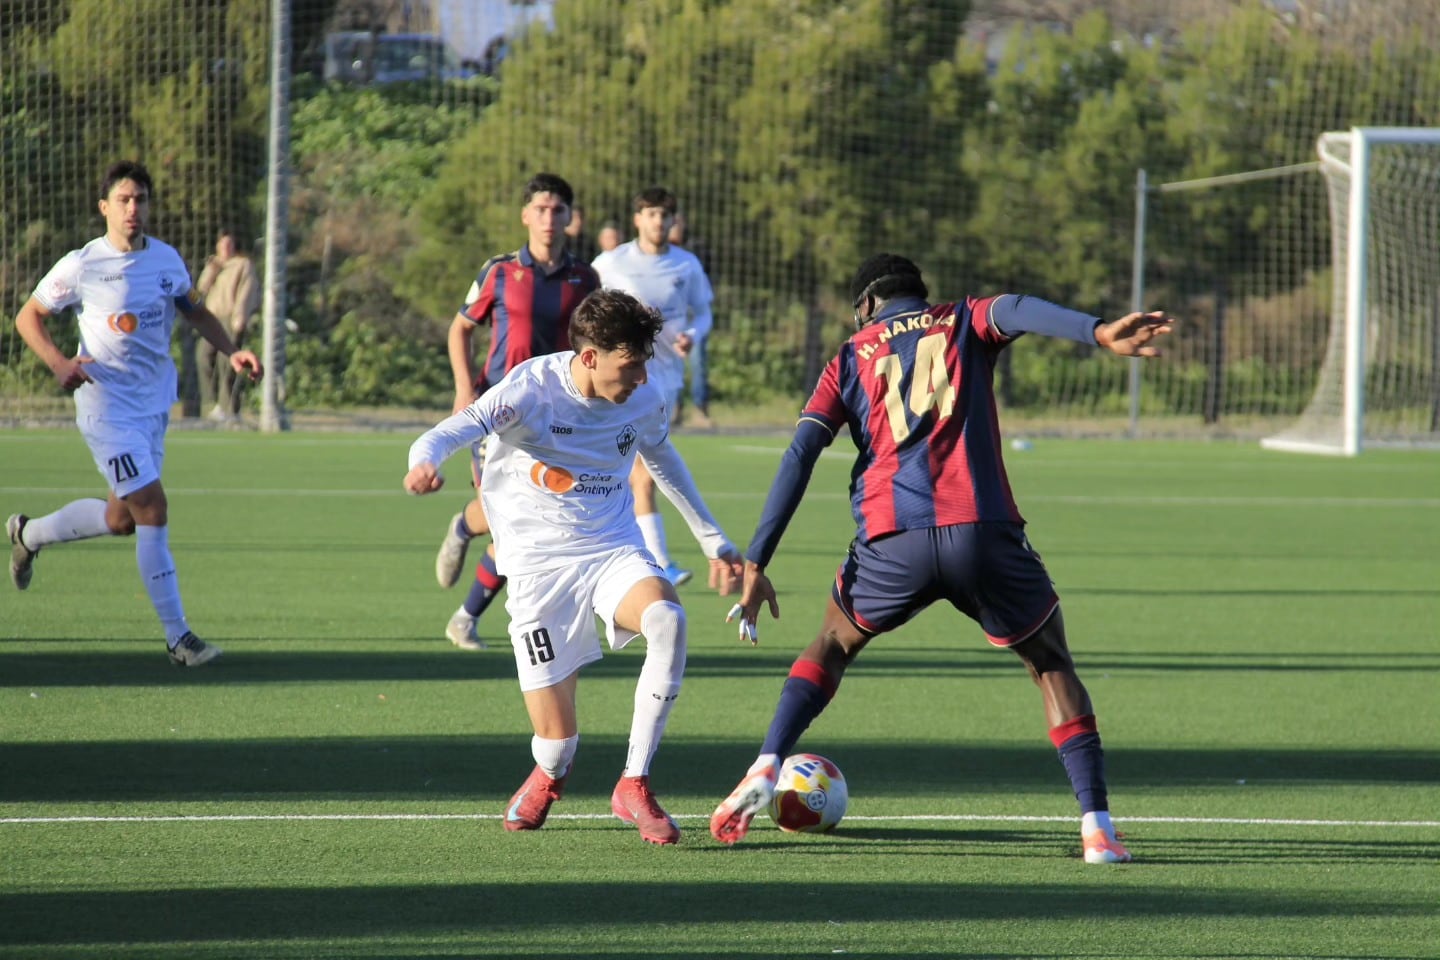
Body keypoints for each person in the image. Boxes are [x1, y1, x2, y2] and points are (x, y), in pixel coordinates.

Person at [708, 254, 1175, 864]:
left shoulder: (848, 357)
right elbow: (1016, 308)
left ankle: (768, 762)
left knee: (832, 643)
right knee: (1049, 661)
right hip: (981, 532)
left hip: (891, 541)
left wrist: (758, 561)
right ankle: (1097, 829)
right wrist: (1099, 331)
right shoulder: (963, 320)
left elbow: (800, 455)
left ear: (867, 305)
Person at [404, 288, 744, 844]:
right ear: (589, 357)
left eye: (644, 364)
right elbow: (449, 431)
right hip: (536, 566)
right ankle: (549, 774)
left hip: (611, 546)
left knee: (667, 619)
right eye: (629, 366)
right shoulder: (530, 390)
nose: (640, 378)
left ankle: (634, 783)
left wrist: (715, 541)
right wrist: (423, 463)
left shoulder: (644, 396)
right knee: (558, 745)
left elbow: (662, 458)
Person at [6, 160, 264, 666]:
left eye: (140, 199)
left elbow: (196, 311)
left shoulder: (166, 260)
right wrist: (59, 363)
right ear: (105, 206)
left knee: (120, 518)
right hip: (106, 409)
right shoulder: (83, 264)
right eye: (123, 200)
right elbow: (28, 316)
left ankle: (27, 534)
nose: (133, 208)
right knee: (152, 507)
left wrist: (232, 351)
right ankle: (178, 639)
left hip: (152, 408)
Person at [432, 172, 601, 651]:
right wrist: (464, 389)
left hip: (558, 418)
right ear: (526, 215)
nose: (549, 218)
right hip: (500, 412)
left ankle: (465, 614)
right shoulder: (500, 272)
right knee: (505, 516)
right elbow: (460, 328)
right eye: (540, 209)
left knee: (531, 521)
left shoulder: (585, 279)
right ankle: (465, 532)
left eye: (558, 210)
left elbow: (594, 342)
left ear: (570, 218)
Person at [591, 187, 715, 588]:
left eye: (664, 214)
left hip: (664, 381)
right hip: (619, 381)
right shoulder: (611, 263)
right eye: (651, 214)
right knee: (639, 472)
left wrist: (693, 334)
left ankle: (627, 555)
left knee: (636, 472)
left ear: (673, 220)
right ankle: (657, 563)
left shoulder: (686, 265)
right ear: (638, 219)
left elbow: (704, 312)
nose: (658, 221)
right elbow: (583, 309)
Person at [195, 225, 260, 423]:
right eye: (222, 243)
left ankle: (229, 408)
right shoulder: (214, 264)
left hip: (231, 317)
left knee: (228, 362)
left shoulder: (243, 264)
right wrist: (212, 269)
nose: (226, 247)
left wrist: (240, 317)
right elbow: (201, 288)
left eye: (229, 243)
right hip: (211, 318)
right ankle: (212, 403)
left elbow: (247, 291)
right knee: (203, 356)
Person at [666, 211, 713, 429]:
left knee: (698, 365)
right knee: (668, 365)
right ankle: (673, 408)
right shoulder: (655, 257)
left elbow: (703, 293)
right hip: (669, 324)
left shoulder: (694, 254)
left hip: (691, 321)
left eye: (678, 222)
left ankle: (700, 409)